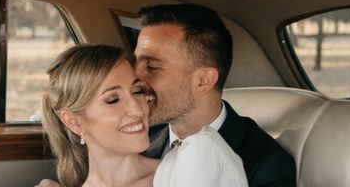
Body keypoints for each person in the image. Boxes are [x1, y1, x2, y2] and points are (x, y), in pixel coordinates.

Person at [40, 43, 247, 187]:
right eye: (113, 100)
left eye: (137, 91)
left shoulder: (192, 169)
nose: (139, 109)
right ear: (74, 122)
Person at [134, 4, 296, 187]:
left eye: (153, 66)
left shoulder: (265, 166)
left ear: (203, 81)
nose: (134, 77)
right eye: (135, 62)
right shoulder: (136, 140)